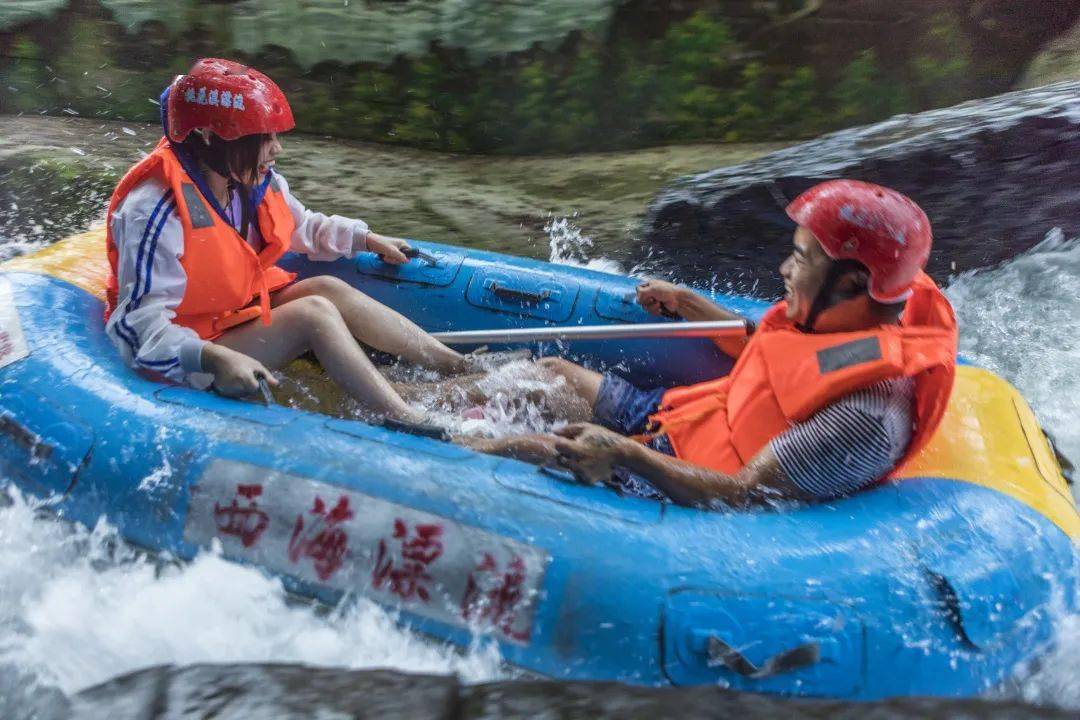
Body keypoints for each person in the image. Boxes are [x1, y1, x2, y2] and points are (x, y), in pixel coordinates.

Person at [463, 180, 959, 507]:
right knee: (550, 373)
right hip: (679, 419)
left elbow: (745, 495)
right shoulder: (847, 326)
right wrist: (686, 302)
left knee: (532, 449)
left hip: (682, 480)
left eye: (801, 260)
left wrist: (624, 454)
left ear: (851, 285)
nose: (785, 271)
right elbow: (767, 349)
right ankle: (416, 406)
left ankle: (425, 440)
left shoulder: (865, 417)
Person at [104, 58, 478, 423]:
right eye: (262, 138)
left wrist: (365, 238)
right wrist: (211, 358)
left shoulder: (245, 180)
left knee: (327, 288)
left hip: (231, 316)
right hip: (195, 348)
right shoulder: (154, 209)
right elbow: (137, 330)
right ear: (209, 135)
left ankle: (458, 366)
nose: (276, 149)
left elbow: (303, 226)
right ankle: (401, 416)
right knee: (311, 313)